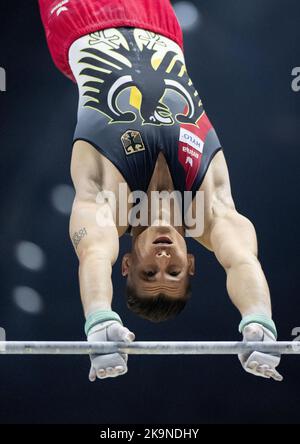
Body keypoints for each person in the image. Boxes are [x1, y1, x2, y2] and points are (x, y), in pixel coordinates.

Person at [39, 0, 282, 382]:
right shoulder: (211, 209)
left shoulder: (106, 206)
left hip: (82, 17)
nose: (164, 256)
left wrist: (100, 320)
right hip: (159, 23)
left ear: (127, 264)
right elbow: (241, 261)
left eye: (150, 271)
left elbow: (92, 254)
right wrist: (258, 322)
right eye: (173, 270)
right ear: (192, 264)